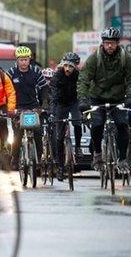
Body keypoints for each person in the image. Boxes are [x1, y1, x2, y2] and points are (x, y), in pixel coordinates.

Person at [77, 27, 131, 175]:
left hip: (118, 98)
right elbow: (83, 79)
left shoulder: (125, 58)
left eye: (112, 43)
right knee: (97, 125)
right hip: (97, 97)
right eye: (106, 43)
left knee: (122, 126)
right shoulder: (95, 58)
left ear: (117, 43)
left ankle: (123, 159)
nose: (109, 46)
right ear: (103, 43)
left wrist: (130, 96)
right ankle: (97, 154)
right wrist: (83, 100)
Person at [8, 46, 47, 169]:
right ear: (17, 60)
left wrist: (44, 104)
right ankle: (14, 158)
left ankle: (39, 159)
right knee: (17, 135)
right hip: (17, 108)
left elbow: (44, 89)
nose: (23, 62)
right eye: (21, 60)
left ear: (30, 59)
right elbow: (6, 91)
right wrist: (8, 108)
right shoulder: (11, 73)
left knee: (38, 133)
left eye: (26, 59)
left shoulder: (36, 72)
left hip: (33, 107)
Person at [51, 52, 83, 181]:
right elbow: (53, 94)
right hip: (61, 103)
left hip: (74, 102)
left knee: (77, 122)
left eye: (71, 66)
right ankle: (60, 167)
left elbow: (82, 91)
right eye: (66, 66)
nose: (68, 69)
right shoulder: (58, 75)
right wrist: (53, 112)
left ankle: (78, 147)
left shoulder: (79, 76)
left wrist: (84, 107)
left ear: (75, 67)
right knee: (59, 136)